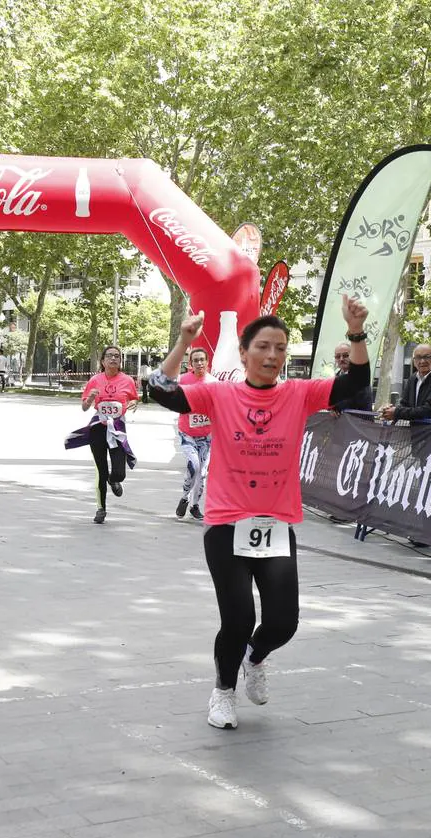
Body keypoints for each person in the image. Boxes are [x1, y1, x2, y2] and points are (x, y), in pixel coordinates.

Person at [149, 296, 371, 730]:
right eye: (264, 347)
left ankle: (256, 656)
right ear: (245, 353)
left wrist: (356, 331)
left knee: (283, 622)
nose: (272, 355)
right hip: (227, 523)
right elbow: (160, 391)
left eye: (280, 348)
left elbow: (356, 384)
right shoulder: (218, 394)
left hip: (275, 525)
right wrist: (183, 341)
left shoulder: (299, 394)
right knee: (237, 619)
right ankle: (223, 693)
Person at [64, 346, 138, 524]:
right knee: (101, 470)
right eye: (109, 356)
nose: (113, 359)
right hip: (98, 428)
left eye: (117, 356)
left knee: (119, 472)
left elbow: (134, 398)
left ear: (120, 361)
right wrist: (90, 399)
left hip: (118, 429)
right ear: (103, 361)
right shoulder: (95, 380)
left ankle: (115, 481)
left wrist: (133, 404)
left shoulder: (127, 380)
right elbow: (84, 407)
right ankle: (101, 508)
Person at [175, 347, 213, 520]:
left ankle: (195, 505)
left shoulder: (214, 382)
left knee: (203, 473)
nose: (199, 363)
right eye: (195, 360)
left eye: (202, 360)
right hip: (187, 433)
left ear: (207, 362)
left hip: (207, 436)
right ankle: (184, 497)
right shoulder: (183, 380)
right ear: (190, 364)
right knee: (194, 465)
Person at [378, 343, 431, 423]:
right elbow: (405, 403)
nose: (422, 361)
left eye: (427, 357)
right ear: (414, 361)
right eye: (418, 357)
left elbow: (428, 410)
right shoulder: (413, 378)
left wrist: (396, 412)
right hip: (416, 432)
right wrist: (389, 410)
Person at [330, 342, 374, 412]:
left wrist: (336, 407)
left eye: (345, 355)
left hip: (360, 420)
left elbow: (359, 400)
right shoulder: (334, 379)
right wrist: (331, 408)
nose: (341, 359)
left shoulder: (361, 376)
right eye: (338, 356)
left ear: (353, 356)